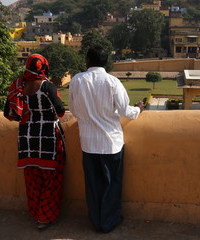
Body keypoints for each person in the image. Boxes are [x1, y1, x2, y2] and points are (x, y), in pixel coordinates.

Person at [69, 46, 143, 233]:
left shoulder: (77, 80)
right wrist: (139, 109)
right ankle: (109, 222)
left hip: (88, 143)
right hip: (111, 144)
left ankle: (96, 221)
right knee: (112, 185)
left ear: (87, 61)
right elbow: (126, 111)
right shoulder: (112, 82)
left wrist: (90, 117)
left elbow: (74, 109)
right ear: (106, 63)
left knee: (93, 186)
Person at [4, 53, 66, 230]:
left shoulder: (18, 85)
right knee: (52, 179)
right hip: (48, 140)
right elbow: (60, 112)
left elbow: (9, 113)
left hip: (26, 140)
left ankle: (36, 213)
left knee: (32, 180)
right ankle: (45, 217)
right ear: (43, 67)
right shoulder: (47, 86)